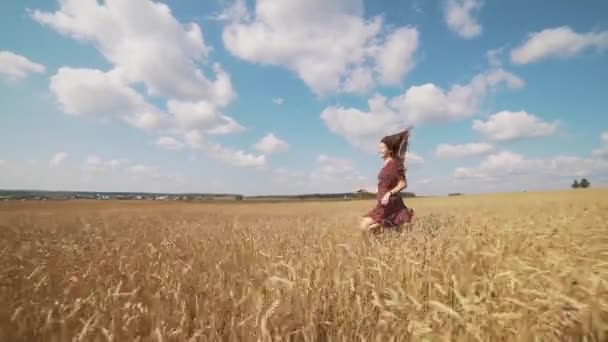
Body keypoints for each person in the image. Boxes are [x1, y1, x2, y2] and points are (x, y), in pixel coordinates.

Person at [360, 128, 415, 234]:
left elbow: (403, 183)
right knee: (375, 230)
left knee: (365, 225)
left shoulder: (394, 164)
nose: (379, 150)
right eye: (379, 148)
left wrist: (388, 194)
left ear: (390, 150)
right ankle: (377, 247)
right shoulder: (385, 165)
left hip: (390, 203)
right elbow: (380, 189)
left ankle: (370, 246)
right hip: (382, 203)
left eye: (382, 148)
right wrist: (363, 189)